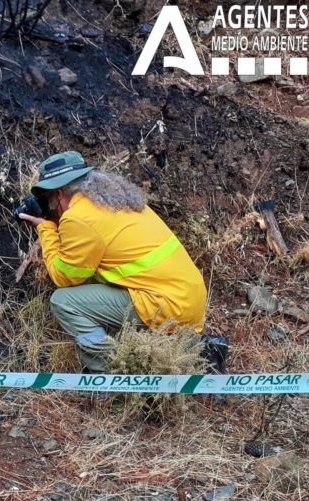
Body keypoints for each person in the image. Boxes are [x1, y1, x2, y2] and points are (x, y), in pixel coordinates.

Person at [19, 151, 209, 373]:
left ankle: (107, 368)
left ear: (59, 193)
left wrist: (46, 228)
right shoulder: (117, 199)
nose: (51, 208)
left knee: (64, 301)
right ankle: (197, 349)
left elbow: (65, 276)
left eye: (49, 200)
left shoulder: (79, 217)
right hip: (188, 298)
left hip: (165, 302)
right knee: (98, 293)